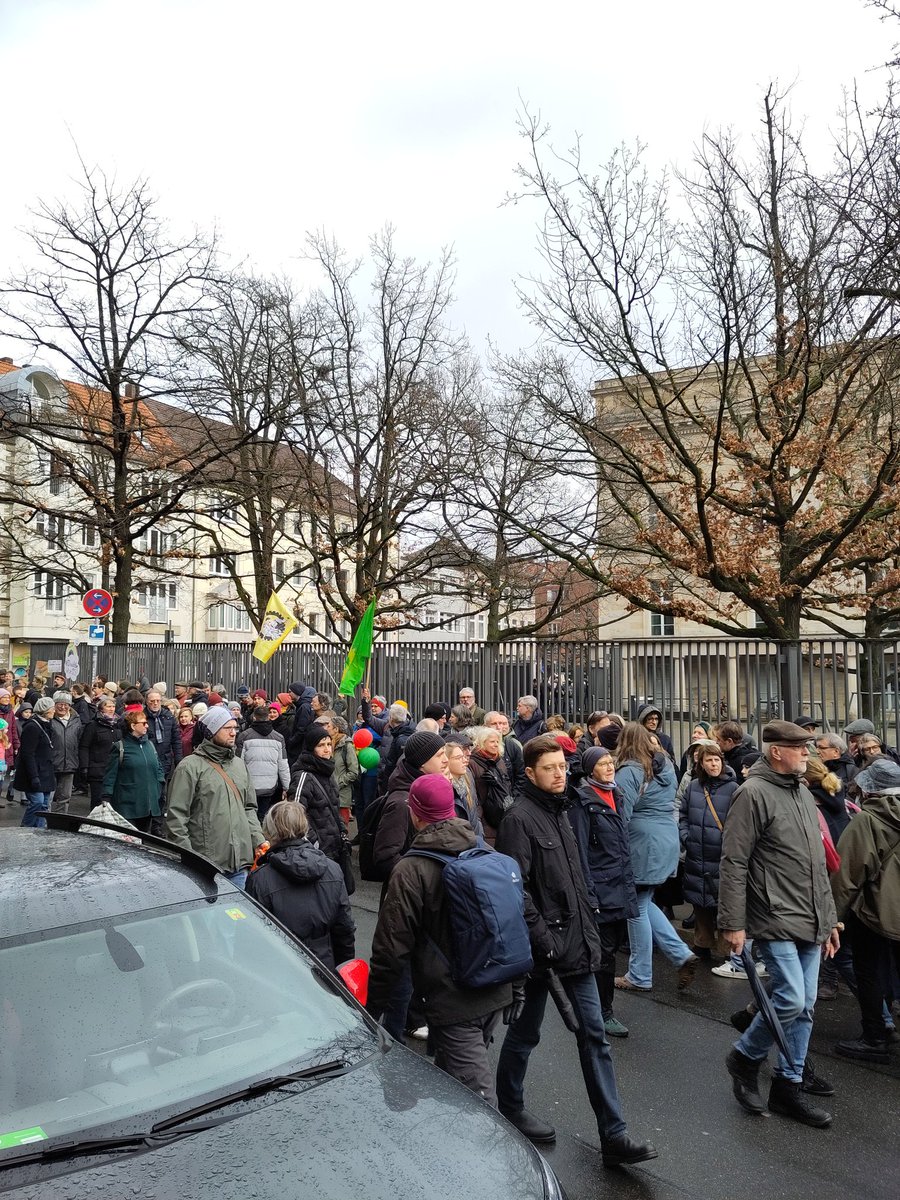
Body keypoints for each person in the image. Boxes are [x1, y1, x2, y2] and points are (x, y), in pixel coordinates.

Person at [494, 734, 657, 1167]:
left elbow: (577, 877)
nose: (559, 774)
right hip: (541, 953)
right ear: (529, 773)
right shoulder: (520, 819)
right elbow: (516, 890)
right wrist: (542, 940)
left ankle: (614, 1134)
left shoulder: (565, 811)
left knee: (594, 1036)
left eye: (562, 767)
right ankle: (509, 1105)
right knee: (526, 1032)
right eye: (549, 768)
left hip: (578, 946)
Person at [718, 720, 841, 1128]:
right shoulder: (751, 793)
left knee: (804, 1007)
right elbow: (733, 861)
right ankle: (744, 1057)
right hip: (772, 915)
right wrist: (733, 923)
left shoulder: (804, 794)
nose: (808, 754)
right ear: (777, 752)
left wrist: (830, 920)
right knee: (791, 997)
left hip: (809, 915)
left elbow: (816, 864)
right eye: (800, 748)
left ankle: (788, 1087)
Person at [367, 774, 516, 1106]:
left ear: (415, 814)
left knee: (478, 1107)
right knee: (450, 1089)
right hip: (494, 987)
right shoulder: (483, 850)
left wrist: (372, 1008)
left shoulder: (411, 869)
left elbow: (391, 949)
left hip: (454, 1000)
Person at [613, 722, 698, 992]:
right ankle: (680, 954)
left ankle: (640, 974)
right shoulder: (667, 768)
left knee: (635, 906)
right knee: (644, 900)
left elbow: (622, 814)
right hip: (665, 838)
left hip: (642, 842)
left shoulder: (630, 770)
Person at [831, 757, 900, 1063]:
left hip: (875, 912)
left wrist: (832, 918)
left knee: (868, 970)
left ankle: (875, 1036)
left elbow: (847, 875)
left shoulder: (868, 820)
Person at [569, 746, 637, 1038]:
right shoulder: (583, 801)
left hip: (619, 884)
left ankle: (595, 1007)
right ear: (590, 769)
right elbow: (581, 852)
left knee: (610, 950)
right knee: (604, 954)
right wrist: (590, 893)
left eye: (611, 762)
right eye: (603, 763)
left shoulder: (616, 795)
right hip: (601, 886)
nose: (609, 767)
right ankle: (601, 1012)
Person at [246, 801, 355, 971]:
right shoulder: (332, 869)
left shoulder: (260, 878)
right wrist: (342, 974)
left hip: (280, 971)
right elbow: (344, 929)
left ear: (269, 831)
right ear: (304, 826)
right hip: (324, 968)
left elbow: (254, 940)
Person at [166, 705, 264, 887]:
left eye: (235, 728)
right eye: (227, 728)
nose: (233, 733)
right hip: (206, 867)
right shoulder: (190, 767)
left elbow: (249, 808)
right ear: (211, 731)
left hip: (240, 864)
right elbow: (176, 819)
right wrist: (191, 860)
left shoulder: (239, 765)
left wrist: (257, 839)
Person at [679, 743, 739, 962]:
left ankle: (726, 951)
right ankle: (702, 942)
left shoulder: (733, 788)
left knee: (722, 903)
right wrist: (686, 837)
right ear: (701, 764)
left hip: (721, 854)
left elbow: (738, 820)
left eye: (717, 760)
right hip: (697, 852)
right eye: (708, 761)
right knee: (700, 900)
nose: (713, 764)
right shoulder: (693, 786)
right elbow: (683, 814)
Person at [371, 731, 449, 882]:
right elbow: (385, 858)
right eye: (440, 755)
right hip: (410, 894)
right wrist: (422, 879)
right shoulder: (401, 803)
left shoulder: (430, 789)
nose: (446, 760)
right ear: (422, 762)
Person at [100, 710, 165, 832]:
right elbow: (110, 775)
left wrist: (160, 784)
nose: (147, 725)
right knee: (128, 841)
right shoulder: (120, 747)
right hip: (127, 805)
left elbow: (158, 767)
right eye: (143, 723)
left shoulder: (150, 745)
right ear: (133, 726)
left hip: (147, 804)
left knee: (142, 839)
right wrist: (106, 796)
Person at [289, 723, 344, 863]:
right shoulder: (303, 776)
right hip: (318, 852)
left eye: (329, 744)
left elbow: (334, 807)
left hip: (335, 847)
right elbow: (295, 814)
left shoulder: (327, 770)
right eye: (321, 745)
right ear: (311, 748)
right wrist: (314, 844)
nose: (327, 749)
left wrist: (342, 832)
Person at [236, 705, 290, 820]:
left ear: (254, 718)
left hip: (249, 786)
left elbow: (238, 763)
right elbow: (283, 764)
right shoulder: (279, 738)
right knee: (263, 816)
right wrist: (287, 787)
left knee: (249, 816)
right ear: (268, 717)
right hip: (269, 786)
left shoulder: (244, 736)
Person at [467, 724, 512, 845]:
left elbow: (508, 785)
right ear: (482, 742)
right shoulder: (472, 762)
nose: (496, 744)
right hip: (483, 815)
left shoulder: (500, 761)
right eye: (492, 741)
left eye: (498, 741)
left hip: (502, 811)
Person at [17, 696, 57, 828]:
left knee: (44, 805)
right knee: (37, 802)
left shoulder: (47, 724)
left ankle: (39, 833)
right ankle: (25, 828)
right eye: (52, 708)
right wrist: (33, 776)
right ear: (45, 710)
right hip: (35, 772)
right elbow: (28, 754)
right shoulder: (32, 727)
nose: (54, 711)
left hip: (46, 771)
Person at [79, 697, 122, 806]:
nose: (111, 709)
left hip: (115, 769)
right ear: (101, 709)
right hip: (97, 769)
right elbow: (84, 746)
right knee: (98, 801)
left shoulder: (119, 724)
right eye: (108, 706)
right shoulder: (93, 725)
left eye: (113, 706)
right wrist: (85, 766)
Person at [48, 691, 83, 814]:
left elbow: (79, 739)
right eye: (59, 704)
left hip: (70, 763)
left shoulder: (76, 720)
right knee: (48, 796)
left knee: (65, 796)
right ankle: (44, 821)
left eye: (66, 704)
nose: (63, 707)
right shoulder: (49, 719)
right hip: (51, 762)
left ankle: (59, 821)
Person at [484, 710, 525, 793]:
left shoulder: (512, 745)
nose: (499, 727)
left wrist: (514, 796)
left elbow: (521, 774)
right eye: (494, 724)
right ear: (485, 726)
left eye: (501, 723)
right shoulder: (477, 747)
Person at [286, 681, 317, 761]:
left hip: (298, 747)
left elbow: (301, 729)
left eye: (290, 691)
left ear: (296, 692)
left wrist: (291, 742)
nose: (288, 694)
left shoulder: (304, 707)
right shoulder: (302, 705)